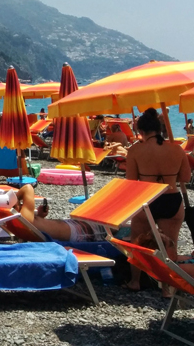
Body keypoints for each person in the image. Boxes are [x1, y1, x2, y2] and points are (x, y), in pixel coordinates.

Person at [124, 107, 191, 290]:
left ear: (141, 131)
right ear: (160, 129)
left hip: (148, 199)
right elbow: (185, 178)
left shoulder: (135, 150)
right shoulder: (177, 149)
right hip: (172, 199)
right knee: (170, 244)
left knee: (138, 243)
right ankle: (168, 289)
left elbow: (131, 180)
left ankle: (135, 281)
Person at [10, 183, 110, 242]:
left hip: (74, 226)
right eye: (19, 204)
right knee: (111, 224)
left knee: (100, 213)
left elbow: (40, 227)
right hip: (81, 232)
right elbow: (28, 188)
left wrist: (40, 216)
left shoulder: (24, 220)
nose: (23, 204)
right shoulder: (23, 218)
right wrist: (15, 198)